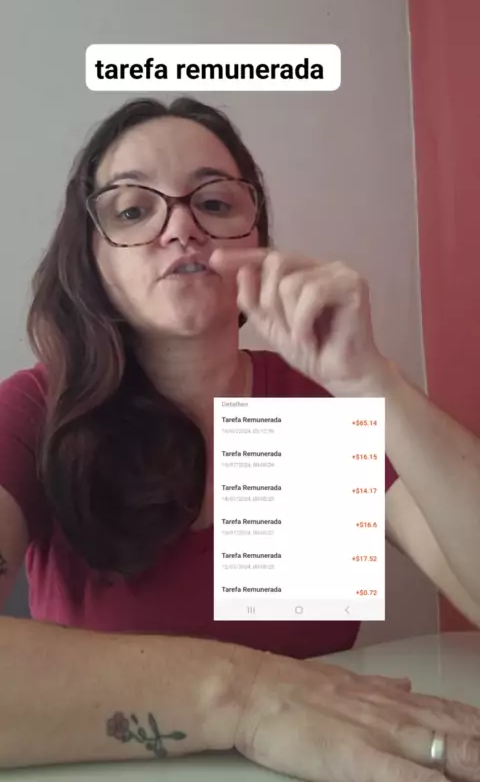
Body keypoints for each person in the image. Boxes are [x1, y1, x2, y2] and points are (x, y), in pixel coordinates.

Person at [0, 97, 479, 781]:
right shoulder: (36, 412)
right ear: (93, 258)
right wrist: (249, 696)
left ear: (256, 239)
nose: (181, 227)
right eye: (133, 210)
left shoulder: (315, 409)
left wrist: (376, 383)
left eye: (215, 203)